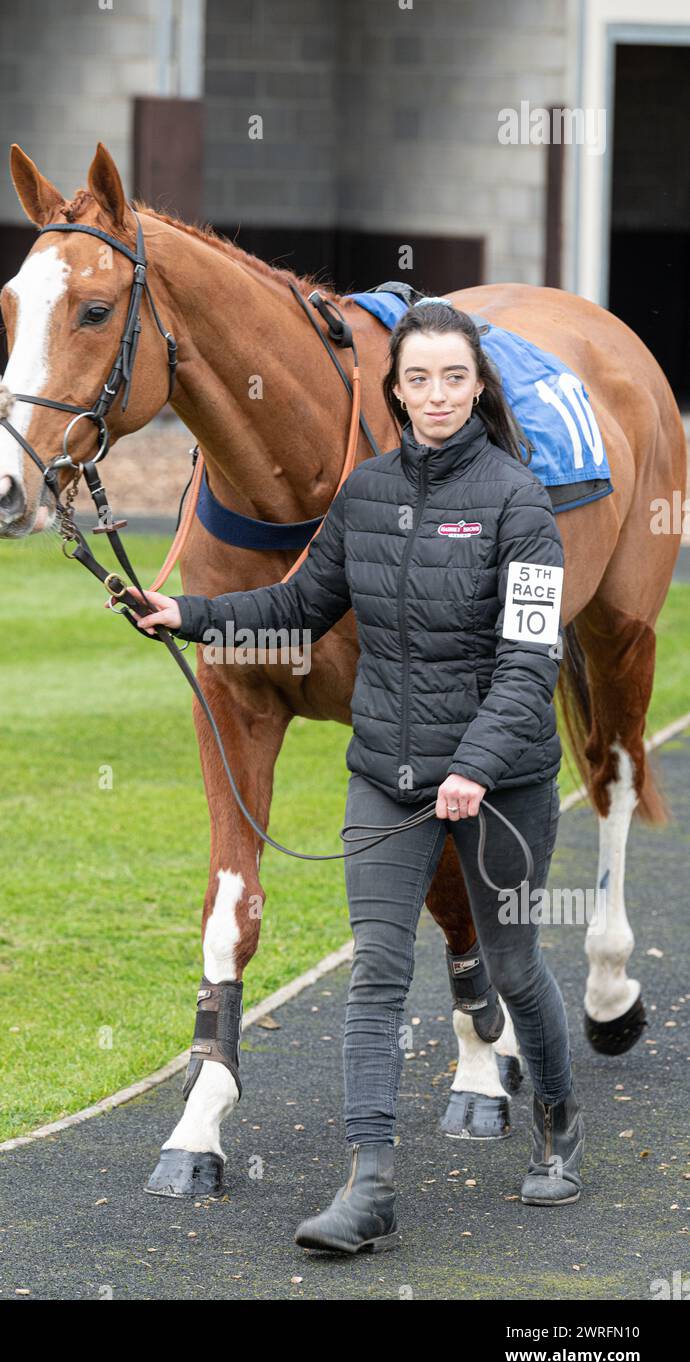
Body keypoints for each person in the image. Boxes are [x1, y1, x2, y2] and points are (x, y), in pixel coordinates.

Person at [124, 297, 584, 1254]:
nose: (437, 395)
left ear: (478, 387)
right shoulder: (365, 495)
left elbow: (530, 662)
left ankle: (557, 1124)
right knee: (376, 973)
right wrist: (190, 614)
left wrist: (475, 768)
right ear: (398, 389)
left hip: (501, 785)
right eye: (418, 379)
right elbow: (300, 602)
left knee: (514, 966)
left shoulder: (520, 504)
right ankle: (368, 1185)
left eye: (455, 378)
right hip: (385, 774)